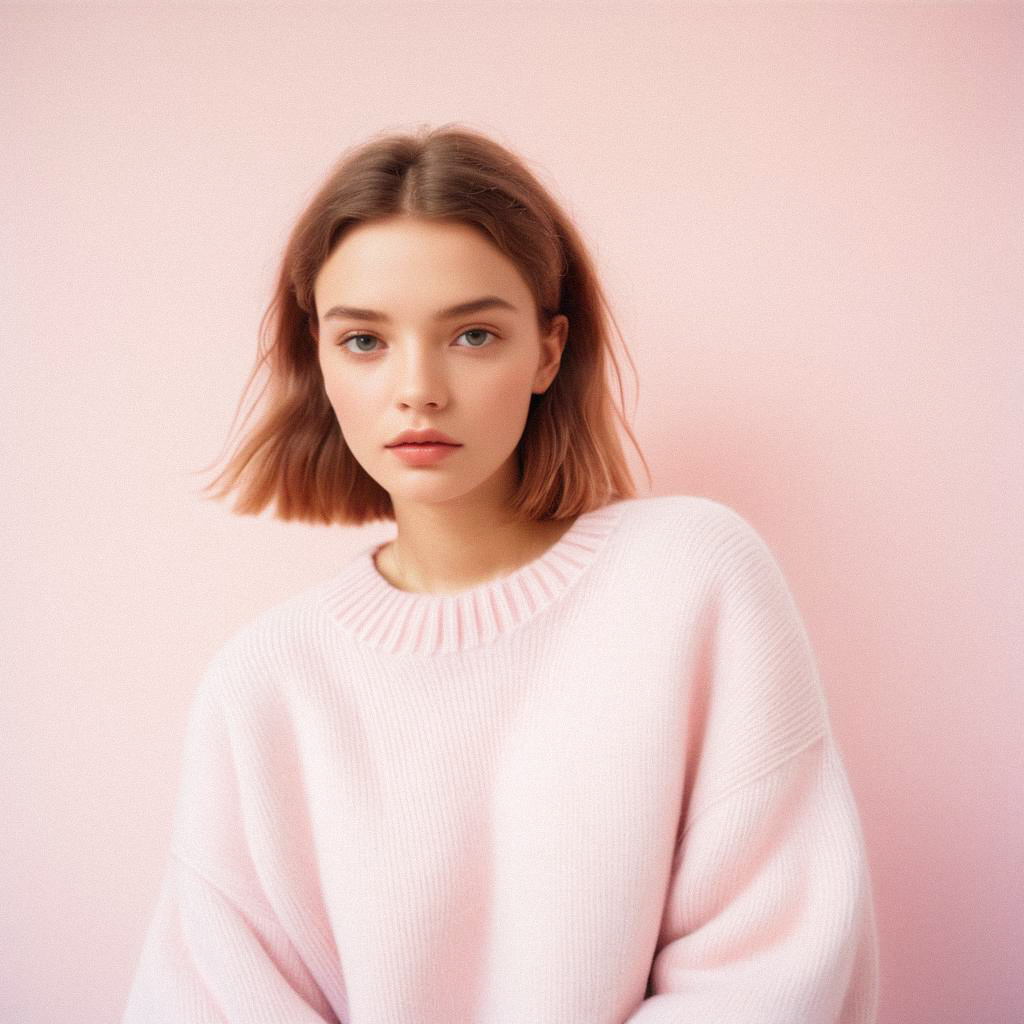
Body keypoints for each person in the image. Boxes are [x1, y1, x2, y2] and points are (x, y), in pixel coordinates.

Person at [121, 123, 880, 1024]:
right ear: (318, 358)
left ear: (549, 351)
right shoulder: (267, 685)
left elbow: (773, 968)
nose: (418, 389)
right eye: (364, 341)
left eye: (473, 334)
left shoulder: (693, 581)